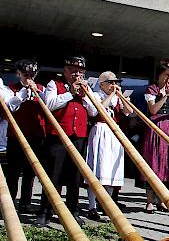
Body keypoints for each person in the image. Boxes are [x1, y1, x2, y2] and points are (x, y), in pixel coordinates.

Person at [37, 56, 98, 227]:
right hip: (57, 137)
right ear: (65, 71)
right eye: (72, 71)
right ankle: (45, 211)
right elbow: (49, 105)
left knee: (74, 178)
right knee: (53, 177)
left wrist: (85, 95)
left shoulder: (87, 89)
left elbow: (93, 112)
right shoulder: (53, 84)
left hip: (78, 137)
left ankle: (73, 211)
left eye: (80, 72)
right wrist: (70, 93)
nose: (77, 75)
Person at [85, 71, 134, 222]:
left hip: (114, 133)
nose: (114, 85)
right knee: (98, 169)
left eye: (116, 83)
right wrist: (112, 95)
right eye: (111, 82)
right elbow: (95, 111)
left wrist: (122, 98)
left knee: (112, 169)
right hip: (100, 130)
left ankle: (106, 204)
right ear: (102, 84)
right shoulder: (95, 94)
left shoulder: (116, 98)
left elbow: (130, 112)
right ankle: (92, 206)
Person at [141, 61, 169, 213]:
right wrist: (166, 95)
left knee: (167, 162)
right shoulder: (151, 89)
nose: (168, 78)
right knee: (153, 162)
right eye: (166, 75)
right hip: (156, 126)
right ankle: (149, 201)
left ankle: (162, 200)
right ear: (159, 75)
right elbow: (153, 110)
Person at [4, 59, 46, 214]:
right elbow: (11, 106)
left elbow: (49, 105)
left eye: (32, 75)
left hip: (36, 136)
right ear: (18, 74)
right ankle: (9, 203)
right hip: (16, 136)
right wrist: (24, 92)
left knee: (30, 172)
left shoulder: (41, 89)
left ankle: (25, 203)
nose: (29, 78)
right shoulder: (11, 89)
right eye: (26, 75)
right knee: (13, 172)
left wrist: (38, 92)